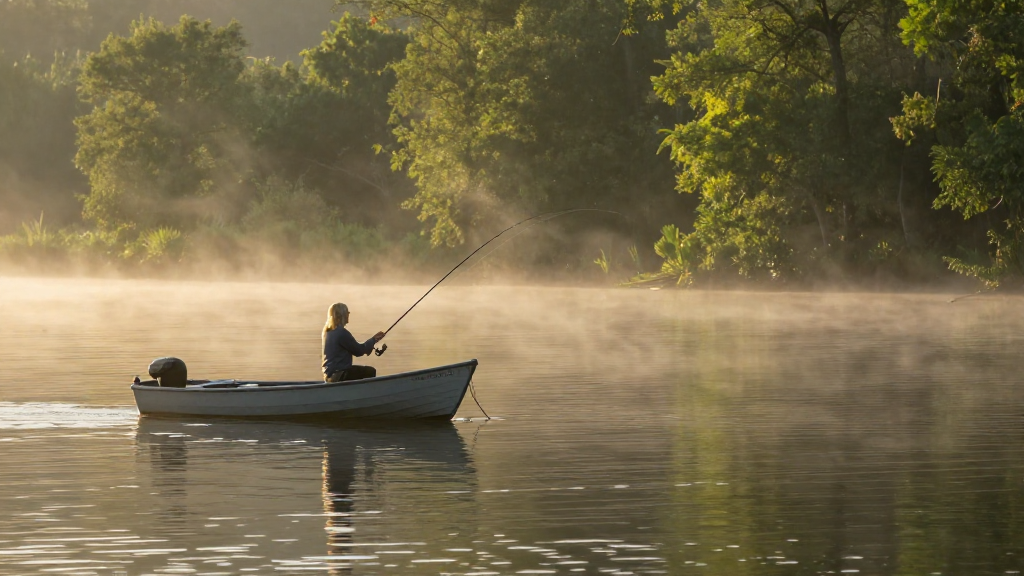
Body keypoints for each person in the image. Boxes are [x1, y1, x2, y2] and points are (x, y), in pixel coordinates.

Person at [322, 303, 385, 382]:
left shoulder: (328, 332)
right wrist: (373, 340)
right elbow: (359, 351)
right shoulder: (341, 333)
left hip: (329, 375)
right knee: (370, 371)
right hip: (339, 375)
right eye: (347, 312)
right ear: (341, 315)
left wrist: (372, 341)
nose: (348, 314)